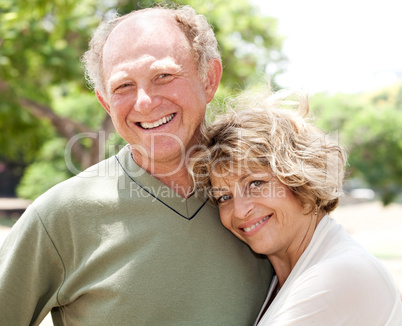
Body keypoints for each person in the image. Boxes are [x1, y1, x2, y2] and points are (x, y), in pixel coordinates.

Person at [0, 5, 272, 325]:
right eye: (123, 86)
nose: (144, 101)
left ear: (209, 78)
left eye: (164, 76)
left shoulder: (266, 200)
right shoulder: (60, 216)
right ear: (106, 103)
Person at [190, 89, 402, 325]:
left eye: (256, 183)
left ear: (300, 176)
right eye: (224, 197)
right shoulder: (285, 276)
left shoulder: (335, 276)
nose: (240, 211)